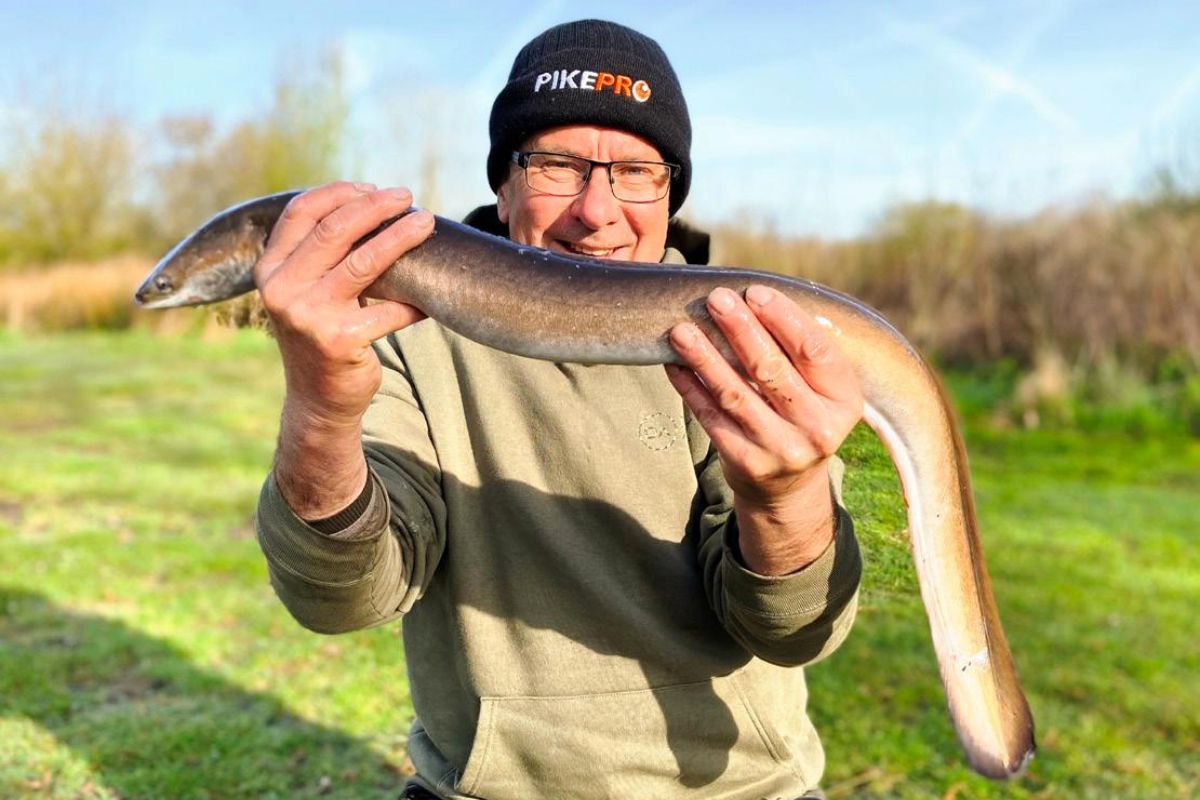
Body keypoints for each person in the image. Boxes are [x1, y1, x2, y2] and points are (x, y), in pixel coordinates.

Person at [254, 19, 864, 800]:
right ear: (503, 184)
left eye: (637, 171)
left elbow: (794, 631)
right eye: (557, 165)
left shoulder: (740, 339)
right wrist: (320, 409)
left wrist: (785, 499)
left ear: (670, 192)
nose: (598, 210)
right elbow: (340, 598)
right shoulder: (399, 331)